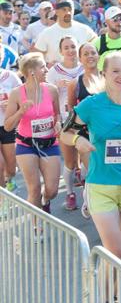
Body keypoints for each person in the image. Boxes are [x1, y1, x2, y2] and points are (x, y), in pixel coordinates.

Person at [59, 51, 121, 268]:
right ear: (104, 73)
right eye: (115, 71)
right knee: (114, 250)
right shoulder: (91, 104)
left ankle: (111, 295)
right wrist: (78, 140)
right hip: (101, 185)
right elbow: (64, 133)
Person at [5, 53, 61, 213]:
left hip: (49, 143)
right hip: (26, 145)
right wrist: (21, 111)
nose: (46, 69)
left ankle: (46, 200)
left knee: (52, 189)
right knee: (34, 188)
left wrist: (57, 123)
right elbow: (8, 126)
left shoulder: (51, 90)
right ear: (31, 72)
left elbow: (57, 114)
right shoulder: (17, 93)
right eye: (43, 66)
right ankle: (37, 228)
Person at [46, 36, 85, 211]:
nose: (70, 50)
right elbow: (47, 97)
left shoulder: (85, 67)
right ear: (61, 51)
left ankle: (88, 194)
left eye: (73, 47)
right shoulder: (55, 71)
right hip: (66, 119)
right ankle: (70, 194)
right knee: (69, 161)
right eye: (66, 48)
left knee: (87, 160)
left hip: (86, 119)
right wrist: (56, 85)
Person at [65, 42, 102, 218]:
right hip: (85, 134)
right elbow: (72, 109)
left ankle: (93, 198)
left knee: (102, 169)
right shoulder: (75, 83)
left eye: (93, 53)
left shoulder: (108, 77)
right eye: (85, 54)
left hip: (106, 132)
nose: (90, 56)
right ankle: (91, 202)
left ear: (99, 56)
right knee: (94, 169)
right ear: (80, 59)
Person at [33, 0, 97, 65]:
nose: (68, 13)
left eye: (70, 9)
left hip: (80, 72)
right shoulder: (47, 33)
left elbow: (96, 46)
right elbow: (37, 56)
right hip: (56, 73)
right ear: (57, 12)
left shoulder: (84, 30)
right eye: (64, 9)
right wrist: (47, 65)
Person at [0, 60, 22, 191]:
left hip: (8, 125)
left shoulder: (11, 76)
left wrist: (13, 104)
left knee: (11, 167)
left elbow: (23, 96)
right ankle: (2, 201)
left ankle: (10, 182)